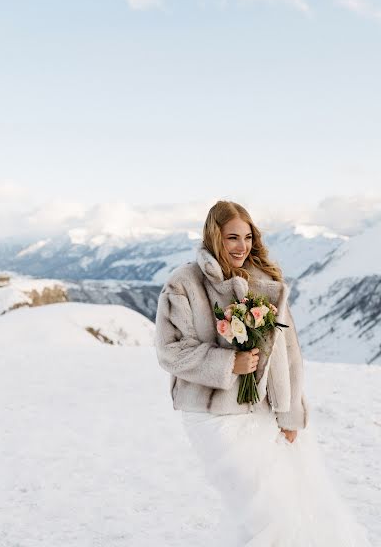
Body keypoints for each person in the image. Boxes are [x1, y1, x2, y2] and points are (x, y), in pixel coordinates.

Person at [154, 200, 373, 547]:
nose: (242, 247)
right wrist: (227, 364)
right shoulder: (183, 284)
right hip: (211, 414)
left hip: (262, 414)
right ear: (214, 237)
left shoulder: (264, 282)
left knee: (289, 504)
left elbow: (287, 355)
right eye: (232, 238)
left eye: (247, 237)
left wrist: (289, 414)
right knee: (264, 511)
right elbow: (170, 351)